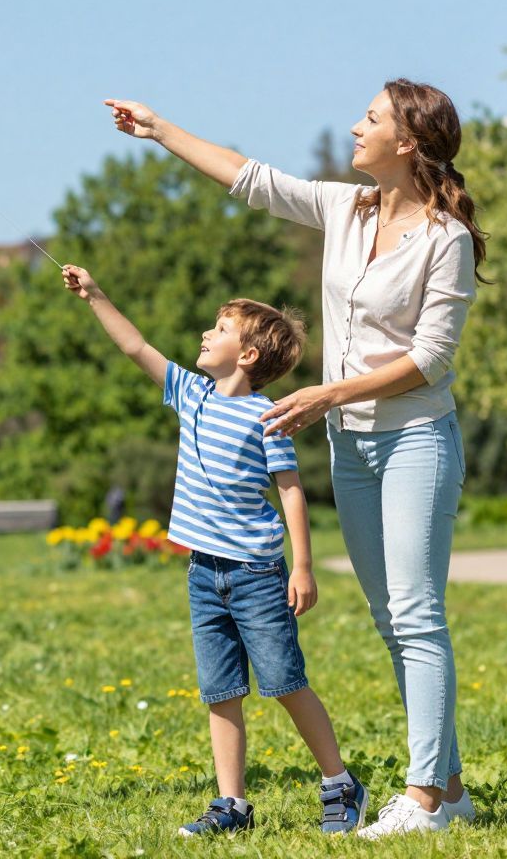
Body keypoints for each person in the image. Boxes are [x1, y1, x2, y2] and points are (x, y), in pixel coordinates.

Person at [106, 80, 487, 838]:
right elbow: (251, 177)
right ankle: (448, 785)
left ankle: (422, 801)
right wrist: (161, 130)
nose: (355, 126)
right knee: (391, 618)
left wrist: (326, 394)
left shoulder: (446, 241)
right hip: (351, 443)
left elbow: (432, 361)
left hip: (414, 438)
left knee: (416, 614)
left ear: (406, 142)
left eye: (371, 119)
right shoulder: (347, 209)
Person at [62, 263, 367, 836]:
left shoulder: (267, 417)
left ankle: (339, 783)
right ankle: (232, 807)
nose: (207, 334)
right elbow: (134, 345)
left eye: (221, 328)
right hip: (204, 573)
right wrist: (96, 295)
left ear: (248, 356)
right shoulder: (190, 394)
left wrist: (302, 566)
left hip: (256, 573)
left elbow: (291, 492)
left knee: (284, 682)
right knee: (221, 691)